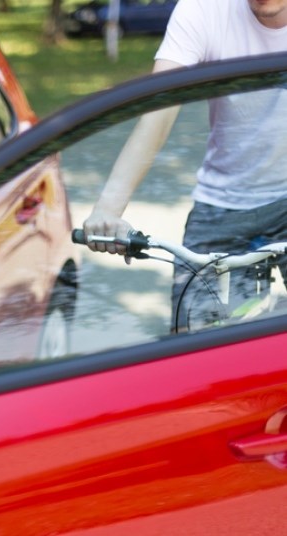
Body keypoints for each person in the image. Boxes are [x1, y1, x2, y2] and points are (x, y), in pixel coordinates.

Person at [83, 0, 287, 329]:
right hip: (221, 206)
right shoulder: (202, 9)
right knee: (190, 337)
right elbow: (158, 112)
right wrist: (108, 208)